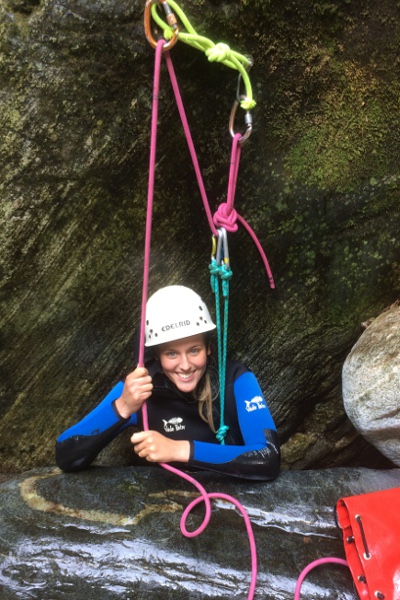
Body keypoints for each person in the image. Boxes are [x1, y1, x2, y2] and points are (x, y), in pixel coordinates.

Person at [56, 286, 280, 480]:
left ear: (208, 348)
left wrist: (178, 450)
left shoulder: (236, 379)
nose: (185, 365)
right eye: (171, 354)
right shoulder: (141, 387)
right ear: (157, 355)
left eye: (194, 350)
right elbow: (66, 455)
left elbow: (268, 456)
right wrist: (123, 407)